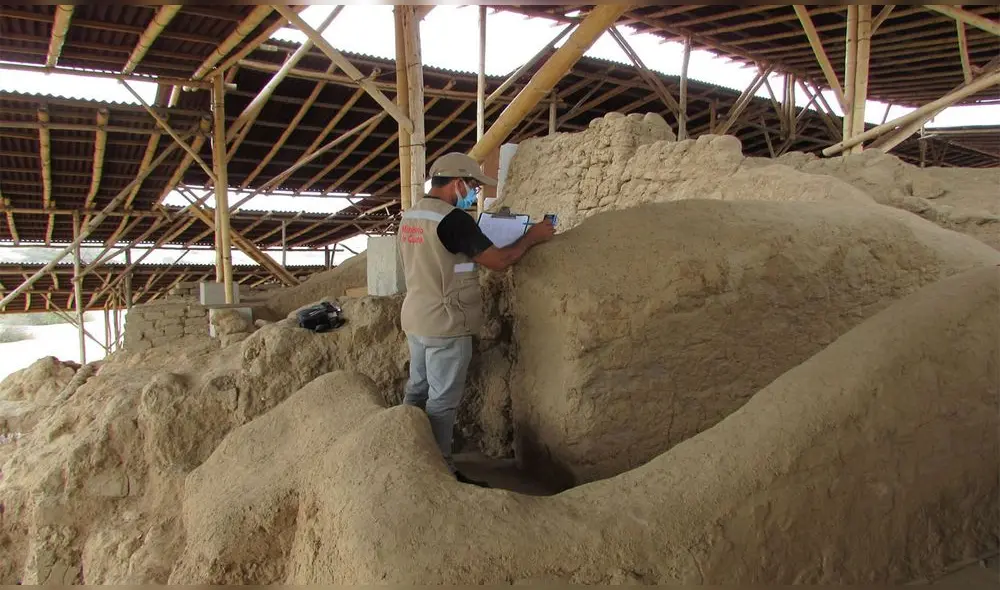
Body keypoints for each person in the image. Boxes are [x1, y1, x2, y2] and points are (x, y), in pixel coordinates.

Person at [398, 152, 555, 487]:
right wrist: (533, 236)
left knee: (417, 391)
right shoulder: (454, 220)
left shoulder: (412, 214)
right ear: (457, 183)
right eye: (472, 186)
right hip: (446, 324)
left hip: (416, 318)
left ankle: (405, 456)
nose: (473, 193)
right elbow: (500, 261)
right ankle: (441, 471)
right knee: (442, 403)